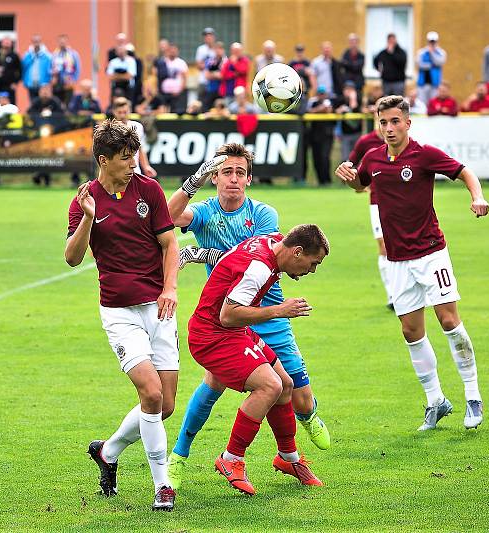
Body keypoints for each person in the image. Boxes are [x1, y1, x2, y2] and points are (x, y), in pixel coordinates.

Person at [165, 145, 332, 491]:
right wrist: (192, 183)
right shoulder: (210, 217)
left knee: (289, 387)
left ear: (249, 179)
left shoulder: (266, 222)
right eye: (227, 172)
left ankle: (289, 456)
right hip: (227, 323)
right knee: (230, 386)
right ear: (215, 177)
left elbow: (258, 253)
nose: (234, 179)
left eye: (240, 172)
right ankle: (193, 457)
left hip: (256, 316)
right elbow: (166, 219)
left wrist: (203, 253)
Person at [336, 95, 489, 431]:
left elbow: (465, 171)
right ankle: (436, 401)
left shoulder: (424, 155)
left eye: (394, 121)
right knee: (410, 331)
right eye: (383, 122)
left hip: (432, 252)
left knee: (449, 320)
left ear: (407, 122)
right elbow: (361, 184)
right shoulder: (373, 156)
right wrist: (349, 177)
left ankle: (473, 395)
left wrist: (477, 196)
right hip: (397, 260)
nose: (389, 128)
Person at [65, 119, 179, 511]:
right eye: (126, 157)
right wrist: (86, 217)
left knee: (165, 406)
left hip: (160, 308)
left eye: (135, 154)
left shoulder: (149, 190)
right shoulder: (84, 199)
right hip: (118, 312)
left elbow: (170, 244)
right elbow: (72, 258)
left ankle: (108, 450)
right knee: (150, 392)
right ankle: (162, 485)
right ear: (104, 160)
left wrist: (170, 288)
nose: (134, 163)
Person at [184, 211, 329, 495]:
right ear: (297, 252)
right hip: (211, 336)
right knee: (269, 386)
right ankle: (231, 459)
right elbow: (228, 315)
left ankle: (288, 459)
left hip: (229, 332)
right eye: (313, 263)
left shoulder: (273, 242)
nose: (312, 271)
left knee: (286, 384)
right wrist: (279, 310)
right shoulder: (260, 268)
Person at [342, 117, 391, 308]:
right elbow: (350, 166)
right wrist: (359, 183)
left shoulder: (401, 141)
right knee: (385, 249)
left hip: (402, 204)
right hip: (377, 203)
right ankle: (392, 296)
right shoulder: (366, 143)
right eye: (383, 119)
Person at [110, 97, 156, 178]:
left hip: (135, 171)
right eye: (119, 112)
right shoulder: (109, 129)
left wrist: (146, 166)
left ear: (129, 110)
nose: (122, 115)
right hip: (116, 173)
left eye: (125, 112)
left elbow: (140, 148)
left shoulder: (137, 126)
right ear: (114, 112)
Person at [306, 86, 335, 185]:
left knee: (325, 157)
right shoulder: (313, 102)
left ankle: (327, 180)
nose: (321, 96)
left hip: (327, 135)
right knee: (316, 158)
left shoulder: (329, 102)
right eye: (320, 94)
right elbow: (309, 112)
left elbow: (330, 111)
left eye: (323, 94)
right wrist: (320, 109)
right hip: (315, 135)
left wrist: (323, 109)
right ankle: (320, 181)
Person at [0, 37, 21, 104]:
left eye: (8, 43)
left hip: (9, 85)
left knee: (11, 104)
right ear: (1, 43)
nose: (6, 45)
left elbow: (20, 70)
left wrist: (16, 82)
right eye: (5, 42)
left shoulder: (14, 56)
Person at [416, 31, 446, 104]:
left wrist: (431, 53)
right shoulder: (421, 52)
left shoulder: (441, 52)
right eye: (430, 41)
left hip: (435, 84)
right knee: (422, 103)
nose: (432, 43)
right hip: (422, 83)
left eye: (434, 41)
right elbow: (419, 64)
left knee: (433, 103)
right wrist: (431, 65)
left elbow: (440, 62)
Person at [335, 81, 362, 161]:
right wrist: (339, 110)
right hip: (345, 134)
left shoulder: (358, 99)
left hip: (357, 133)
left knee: (356, 158)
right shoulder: (341, 100)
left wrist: (353, 99)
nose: (348, 92)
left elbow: (355, 108)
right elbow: (334, 110)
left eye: (351, 89)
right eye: (347, 89)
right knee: (345, 158)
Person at [51, 34, 80, 105]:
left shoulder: (73, 54)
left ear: (67, 42)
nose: (62, 43)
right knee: (57, 104)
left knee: (68, 104)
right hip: (57, 84)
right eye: (60, 42)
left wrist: (73, 80)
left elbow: (77, 69)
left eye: (64, 42)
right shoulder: (54, 54)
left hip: (68, 83)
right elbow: (51, 67)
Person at [22, 35, 52, 102]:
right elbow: (23, 68)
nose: (36, 43)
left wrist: (48, 81)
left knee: (43, 102)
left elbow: (50, 69)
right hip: (31, 83)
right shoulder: (27, 55)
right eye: (35, 41)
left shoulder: (47, 56)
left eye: (38, 41)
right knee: (32, 102)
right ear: (32, 42)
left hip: (43, 84)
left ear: (41, 42)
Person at [159, 44, 188, 114]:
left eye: (174, 51)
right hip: (165, 92)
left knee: (175, 110)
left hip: (177, 92)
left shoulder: (181, 63)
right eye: (171, 51)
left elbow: (185, 77)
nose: (172, 52)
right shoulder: (163, 62)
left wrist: (180, 89)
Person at [201, 42, 225, 111]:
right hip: (210, 90)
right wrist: (217, 74)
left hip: (222, 91)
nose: (218, 51)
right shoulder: (209, 61)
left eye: (220, 49)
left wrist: (213, 74)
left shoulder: (226, 61)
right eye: (216, 49)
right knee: (206, 109)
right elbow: (207, 75)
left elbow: (223, 76)